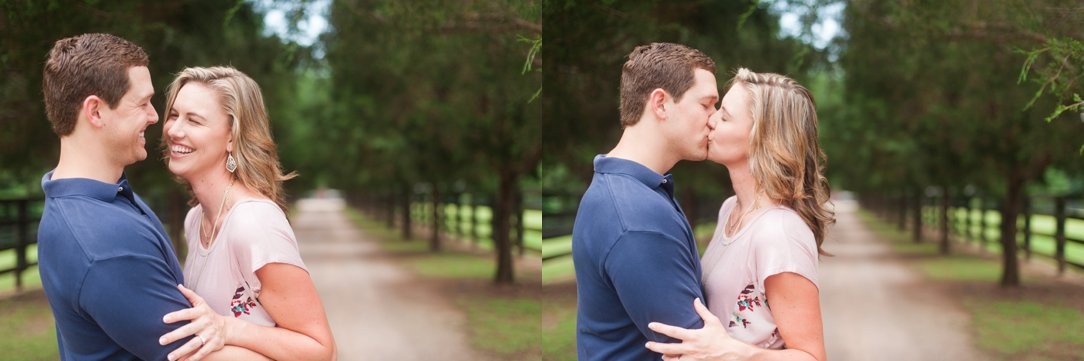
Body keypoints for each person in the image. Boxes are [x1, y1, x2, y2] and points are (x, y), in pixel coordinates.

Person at [37, 33, 265, 360]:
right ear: (96, 112)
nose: (155, 117)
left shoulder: (101, 197)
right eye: (142, 103)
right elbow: (199, 356)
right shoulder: (105, 243)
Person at [645, 68, 832, 361]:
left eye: (725, 116)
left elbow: (811, 356)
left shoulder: (779, 232)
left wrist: (732, 352)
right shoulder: (730, 208)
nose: (711, 119)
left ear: (762, 138)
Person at [155, 66, 337, 360]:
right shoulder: (196, 219)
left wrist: (229, 328)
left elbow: (320, 349)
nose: (174, 130)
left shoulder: (254, 224)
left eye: (194, 120)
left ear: (231, 137)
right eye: (174, 115)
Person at [571, 42, 719, 361]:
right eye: (707, 105)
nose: (715, 120)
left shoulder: (627, 190)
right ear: (661, 104)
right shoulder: (637, 217)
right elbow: (695, 354)